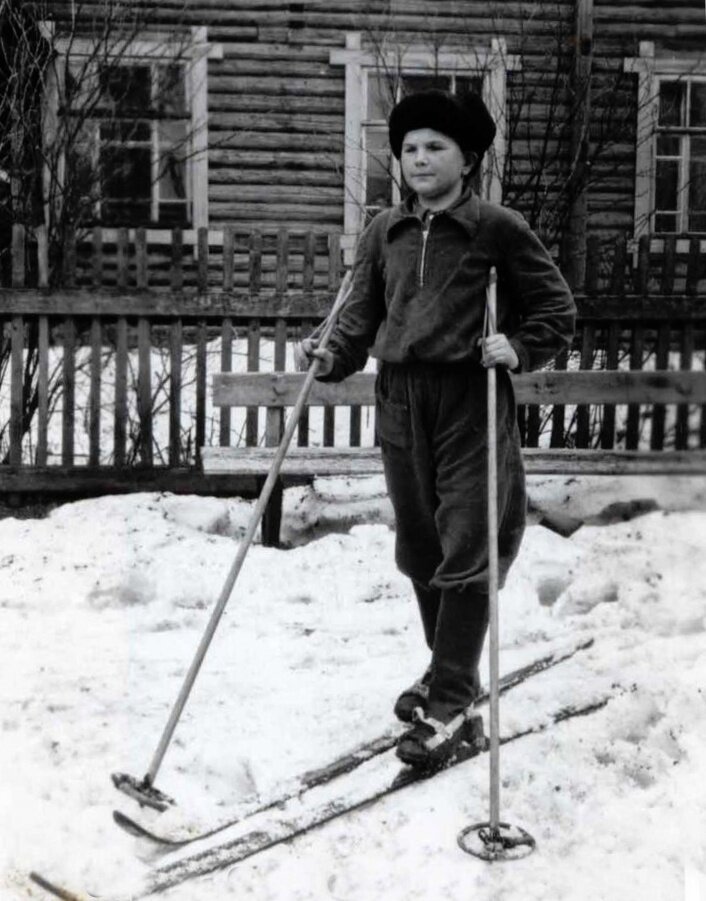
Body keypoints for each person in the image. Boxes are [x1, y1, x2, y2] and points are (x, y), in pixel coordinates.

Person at [297, 89, 576, 769]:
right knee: (420, 546)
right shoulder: (384, 231)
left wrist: (519, 346)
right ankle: (449, 669)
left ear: (468, 158)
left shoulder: (496, 227)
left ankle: (451, 697)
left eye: (435, 148)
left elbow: (555, 308)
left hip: (469, 397)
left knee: (467, 541)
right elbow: (358, 317)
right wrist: (330, 354)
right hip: (400, 400)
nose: (419, 159)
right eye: (410, 148)